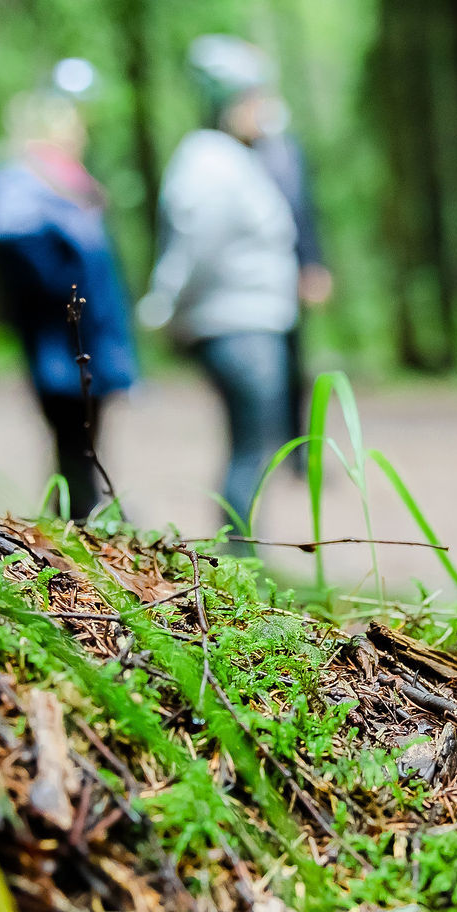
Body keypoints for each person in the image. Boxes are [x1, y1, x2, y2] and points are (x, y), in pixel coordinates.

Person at [138, 36, 300, 545]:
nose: (265, 111)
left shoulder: (232, 159)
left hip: (254, 325)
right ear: (229, 104)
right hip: (238, 329)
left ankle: (241, 557)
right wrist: (164, 309)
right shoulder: (209, 160)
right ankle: (238, 559)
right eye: (255, 100)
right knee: (251, 449)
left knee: (252, 445)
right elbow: (194, 245)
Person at [0, 66, 136, 522]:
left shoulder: (72, 184)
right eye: (72, 126)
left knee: (83, 445)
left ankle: (80, 527)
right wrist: (65, 290)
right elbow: (17, 246)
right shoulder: (21, 185)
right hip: (59, 346)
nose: (81, 134)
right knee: (73, 442)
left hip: (89, 341)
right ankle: (81, 533)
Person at [251, 107, 332, 459]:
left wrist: (312, 265)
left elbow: (305, 212)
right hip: (254, 281)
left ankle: (298, 452)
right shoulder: (235, 155)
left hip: (290, 276)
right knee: (261, 370)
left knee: (295, 365)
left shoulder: (290, 150)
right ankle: (265, 448)